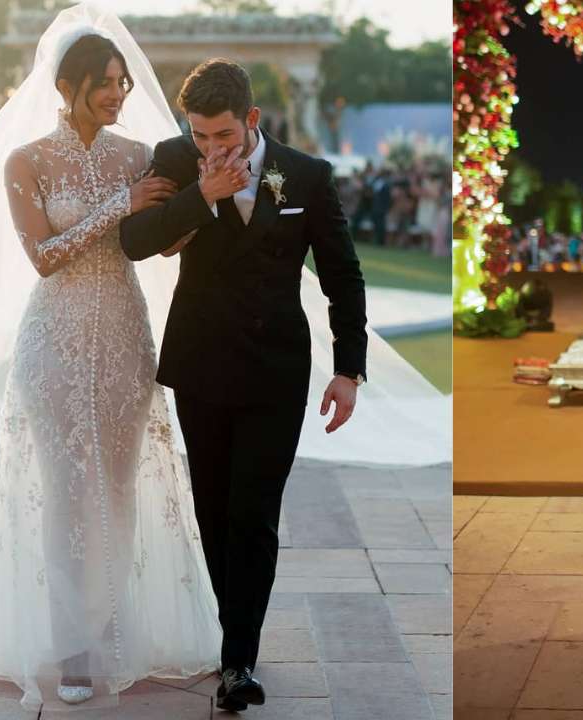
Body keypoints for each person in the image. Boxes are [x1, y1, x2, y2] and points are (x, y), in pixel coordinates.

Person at [0, 24, 222, 710]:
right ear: (66, 87)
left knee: (121, 488)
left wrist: (200, 203)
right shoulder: (26, 162)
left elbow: (155, 245)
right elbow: (44, 256)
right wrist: (116, 207)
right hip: (54, 343)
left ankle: (109, 623)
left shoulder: (140, 155)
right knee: (67, 495)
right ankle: (71, 647)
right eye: (103, 82)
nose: (116, 93)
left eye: (121, 81)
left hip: (126, 341)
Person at [119, 58, 367, 713]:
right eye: (199, 135)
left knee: (253, 516)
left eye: (222, 136)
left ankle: (238, 662)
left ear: (251, 120)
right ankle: (235, 645)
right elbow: (135, 241)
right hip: (200, 363)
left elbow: (343, 274)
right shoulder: (174, 159)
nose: (210, 148)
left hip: (276, 370)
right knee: (213, 513)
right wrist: (200, 194)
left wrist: (348, 369)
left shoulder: (306, 175)